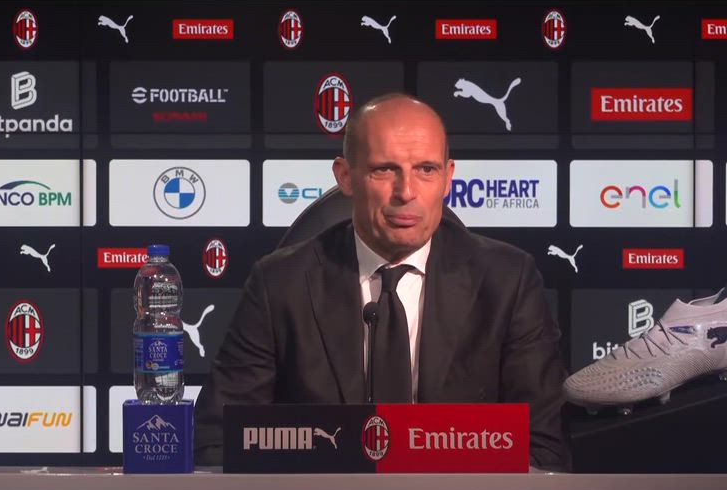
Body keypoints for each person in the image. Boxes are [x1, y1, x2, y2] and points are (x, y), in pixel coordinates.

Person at [194, 94, 569, 469]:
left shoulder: (507, 282)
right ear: (345, 177)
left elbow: (543, 448)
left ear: (448, 178)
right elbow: (217, 442)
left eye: (426, 169)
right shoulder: (280, 284)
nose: (406, 192)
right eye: (385, 170)